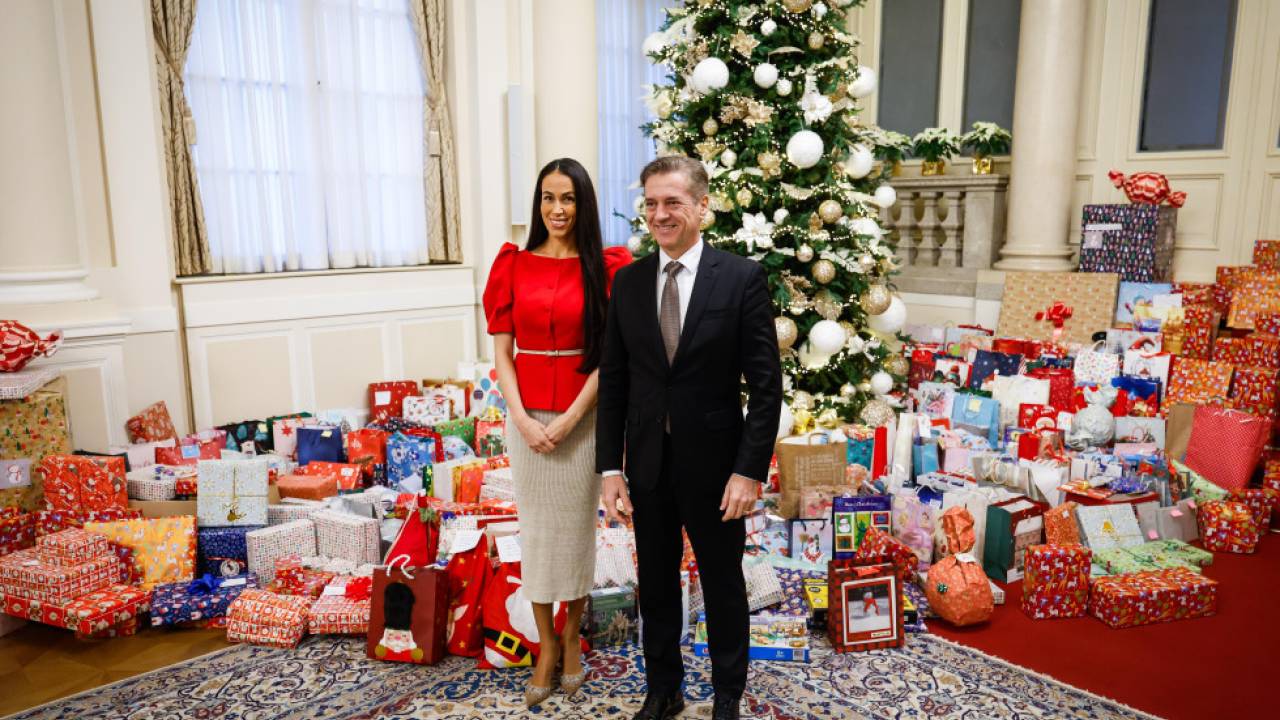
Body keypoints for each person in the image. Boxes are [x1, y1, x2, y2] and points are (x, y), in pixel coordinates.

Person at [596, 155, 782, 720]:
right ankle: (663, 690)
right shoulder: (628, 282)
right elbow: (615, 382)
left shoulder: (741, 278)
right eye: (651, 203)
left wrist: (748, 471)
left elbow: (766, 387)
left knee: (723, 585)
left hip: (718, 469)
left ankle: (727, 695)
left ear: (702, 206)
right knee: (655, 584)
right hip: (648, 464)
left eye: (672, 202)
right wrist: (610, 469)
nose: (660, 214)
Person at [482, 157, 631, 708]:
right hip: (526, 418)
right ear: (538, 202)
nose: (557, 208)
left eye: (568, 198)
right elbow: (502, 351)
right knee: (538, 533)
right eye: (548, 197)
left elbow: (611, 358)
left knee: (573, 535)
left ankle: (571, 636)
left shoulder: (606, 267)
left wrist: (569, 420)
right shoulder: (512, 264)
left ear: (582, 204)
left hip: (582, 418)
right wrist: (522, 418)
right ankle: (546, 643)